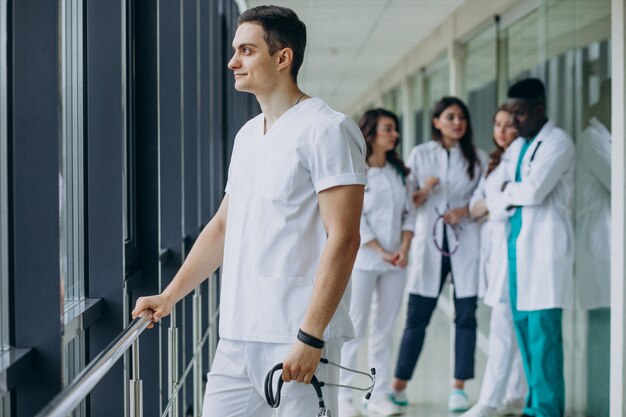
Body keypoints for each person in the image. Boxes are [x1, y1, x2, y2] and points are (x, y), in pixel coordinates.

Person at [132, 6, 367, 417]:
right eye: (234, 50)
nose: (232, 62)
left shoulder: (327, 129)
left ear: (282, 57)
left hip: (296, 336)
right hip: (237, 335)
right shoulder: (247, 136)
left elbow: (344, 238)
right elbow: (223, 226)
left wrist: (311, 337)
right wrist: (170, 295)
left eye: (246, 50)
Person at [389, 96, 486, 414]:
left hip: (465, 242)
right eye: (450, 117)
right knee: (417, 318)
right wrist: (425, 190)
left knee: (466, 317)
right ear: (436, 122)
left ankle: (459, 387)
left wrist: (464, 210)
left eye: (462, 117)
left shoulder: (478, 158)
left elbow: (483, 201)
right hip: (429, 246)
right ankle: (399, 385)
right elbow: (408, 202)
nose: (457, 122)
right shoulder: (420, 155)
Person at [493, 78, 574, 417]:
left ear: (539, 109)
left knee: (544, 336)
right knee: (524, 330)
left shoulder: (558, 142)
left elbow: (534, 191)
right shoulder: (517, 146)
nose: (513, 122)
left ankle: (547, 409)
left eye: (520, 114)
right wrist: (511, 191)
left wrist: (509, 191)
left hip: (544, 253)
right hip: (517, 251)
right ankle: (533, 405)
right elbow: (493, 190)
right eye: (510, 114)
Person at [337, 109, 415, 417]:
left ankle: (377, 394)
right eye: (388, 129)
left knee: (384, 330)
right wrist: (380, 249)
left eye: (395, 129)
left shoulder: (399, 172)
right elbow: (354, 216)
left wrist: (404, 247)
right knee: (354, 328)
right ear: (371, 133)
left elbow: (409, 213)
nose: (394, 134)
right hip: (364, 261)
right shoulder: (358, 169)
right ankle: (344, 395)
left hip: (396, 262)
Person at [462, 105, 527, 417]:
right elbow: (476, 205)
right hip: (495, 254)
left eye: (509, 124)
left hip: (512, 252)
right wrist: (491, 204)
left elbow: (506, 205)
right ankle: (515, 395)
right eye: (497, 124)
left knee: (504, 329)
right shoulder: (495, 162)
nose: (502, 131)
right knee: (509, 327)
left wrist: (490, 206)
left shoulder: (520, 157)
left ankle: (488, 402)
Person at [576, 79, 611, 417]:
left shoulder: (608, 138)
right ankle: (600, 405)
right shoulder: (592, 140)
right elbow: (619, 180)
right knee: (603, 334)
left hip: (608, 252)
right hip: (600, 252)